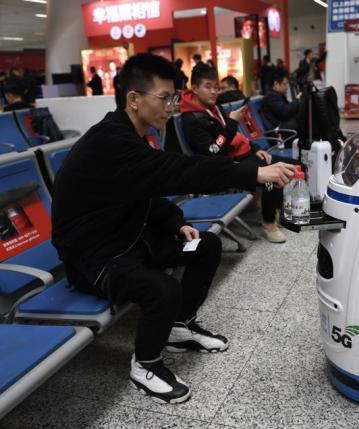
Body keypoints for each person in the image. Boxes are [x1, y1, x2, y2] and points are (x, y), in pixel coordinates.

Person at [51, 54, 294, 404]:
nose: (171, 106)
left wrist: (176, 223)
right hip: (95, 257)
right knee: (162, 289)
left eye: (173, 98)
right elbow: (176, 171)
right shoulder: (110, 141)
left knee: (206, 246)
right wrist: (252, 174)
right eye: (164, 98)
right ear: (133, 99)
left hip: (130, 238)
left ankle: (178, 327)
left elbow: (146, 190)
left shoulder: (135, 134)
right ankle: (145, 365)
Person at [180, 64, 298, 243]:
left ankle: (274, 211)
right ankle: (268, 223)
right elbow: (213, 151)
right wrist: (232, 122)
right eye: (208, 87)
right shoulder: (191, 120)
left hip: (242, 156)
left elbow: (234, 137)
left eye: (216, 87)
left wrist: (257, 149)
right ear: (194, 88)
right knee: (272, 180)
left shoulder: (214, 107)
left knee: (290, 166)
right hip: (222, 167)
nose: (213, 92)